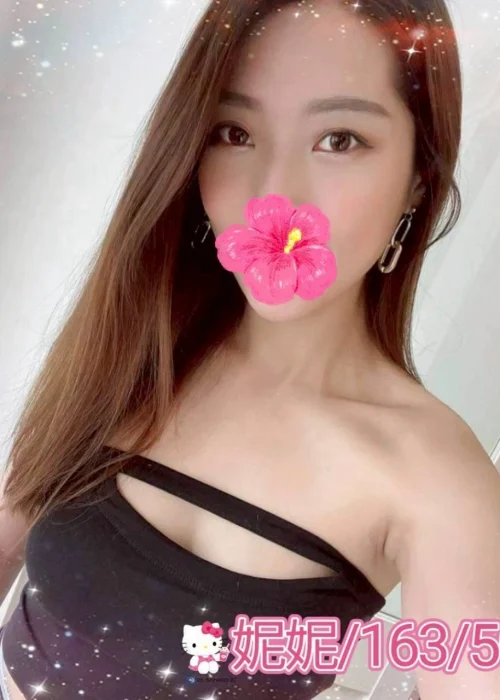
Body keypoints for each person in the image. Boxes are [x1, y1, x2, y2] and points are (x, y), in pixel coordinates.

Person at [1, 0, 499, 698]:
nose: (274, 194)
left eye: (340, 139)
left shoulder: (436, 479)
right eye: (234, 133)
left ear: (419, 177)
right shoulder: (132, 349)